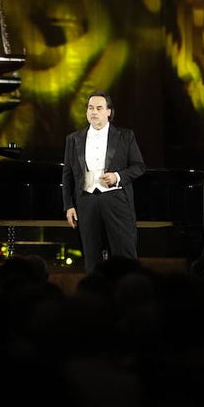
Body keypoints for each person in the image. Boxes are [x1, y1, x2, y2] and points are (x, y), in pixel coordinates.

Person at [62, 91, 146, 272]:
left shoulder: (125, 136)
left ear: (109, 112)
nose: (94, 112)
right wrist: (68, 205)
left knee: (124, 255)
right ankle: (95, 296)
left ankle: (127, 293)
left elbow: (139, 166)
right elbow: (67, 174)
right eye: (90, 108)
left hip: (116, 200)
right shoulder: (74, 139)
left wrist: (118, 176)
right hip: (87, 201)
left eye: (99, 108)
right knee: (92, 256)